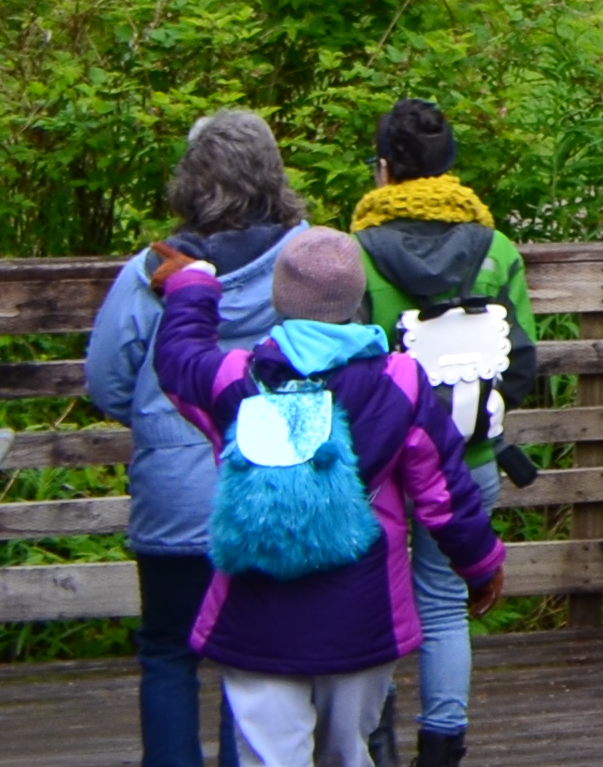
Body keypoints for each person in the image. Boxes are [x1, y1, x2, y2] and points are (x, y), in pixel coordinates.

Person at [144, 227, 502, 767]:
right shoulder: (399, 381)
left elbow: (177, 358)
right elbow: (443, 492)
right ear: (356, 296)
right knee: (348, 753)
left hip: (254, 616)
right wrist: (479, 564)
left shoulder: (235, 380)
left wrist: (193, 284)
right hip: (363, 614)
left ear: (278, 297)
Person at [81, 112, 305, 767]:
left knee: (167, 652)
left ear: (191, 181)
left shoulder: (153, 271)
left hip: (174, 492)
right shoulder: (306, 260)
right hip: (272, 488)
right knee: (253, 657)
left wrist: (164, 424)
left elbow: (107, 381)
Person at [349, 99, 538, 767]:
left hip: (377, 469)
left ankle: (373, 746)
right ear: (450, 165)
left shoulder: (355, 256)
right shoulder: (497, 251)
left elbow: (345, 367)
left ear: (384, 169)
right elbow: (522, 362)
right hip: (468, 460)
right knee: (443, 603)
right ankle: (442, 749)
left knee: (370, 601)